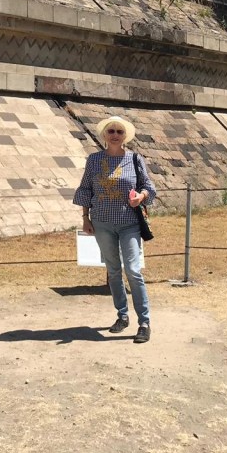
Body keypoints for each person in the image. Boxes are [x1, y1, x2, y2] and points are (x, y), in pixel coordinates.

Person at [74, 115, 157, 344]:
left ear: (125, 136)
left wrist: (141, 196)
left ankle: (144, 322)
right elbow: (86, 189)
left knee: (133, 270)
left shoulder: (135, 159)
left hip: (129, 222)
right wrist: (85, 218)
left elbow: (148, 186)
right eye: (111, 131)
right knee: (113, 270)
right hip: (102, 222)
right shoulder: (94, 160)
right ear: (104, 135)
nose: (115, 135)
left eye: (119, 132)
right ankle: (122, 315)